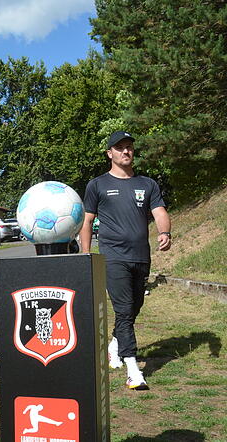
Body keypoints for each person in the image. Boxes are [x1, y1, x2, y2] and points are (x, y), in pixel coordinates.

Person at [80, 130, 171, 390]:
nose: (126, 151)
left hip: (141, 256)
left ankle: (115, 344)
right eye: (120, 147)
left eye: (129, 147)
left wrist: (164, 232)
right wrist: (87, 254)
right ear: (110, 153)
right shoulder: (97, 185)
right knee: (123, 308)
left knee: (133, 308)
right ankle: (133, 368)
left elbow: (160, 211)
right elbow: (86, 221)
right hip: (113, 256)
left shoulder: (147, 184)